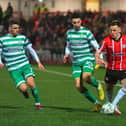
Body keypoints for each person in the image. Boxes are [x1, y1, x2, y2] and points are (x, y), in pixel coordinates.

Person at [0, 20, 45, 110]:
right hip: (13, 69)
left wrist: (38, 62)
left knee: (31, 84)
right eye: (15, 28)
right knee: (24, 88)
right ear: (9, 29)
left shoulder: (22, 38)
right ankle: (25, 92)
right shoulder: (2, 40)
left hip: (24, 65)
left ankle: (38, 105)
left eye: (18, 28)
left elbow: (31, 50)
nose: (17, 30)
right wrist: (0, 62)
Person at [63, 14, 104, 111]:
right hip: (76, 62)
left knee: (86, 77)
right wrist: (66, 54)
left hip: (87, 59)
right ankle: (96, 103)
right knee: (78, 86)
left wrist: (100, 57)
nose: (76, 24)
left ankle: (98, 85)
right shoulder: (69, 33)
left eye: (78, 22)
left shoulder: (87, 32)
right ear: (72, 23)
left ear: (81, 22)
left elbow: (96, 45)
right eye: (74, 22)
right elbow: (68, 46)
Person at [95, 20, 126, 115]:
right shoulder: (106, 41)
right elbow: (98, 52)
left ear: (119, 30)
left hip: (123, 69)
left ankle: (112, 105)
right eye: (111, 30)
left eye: (114, 30)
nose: (112, 32)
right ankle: (109, 104)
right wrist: (98, 59)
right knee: (109, 89)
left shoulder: (125, 40)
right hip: (111, 69)